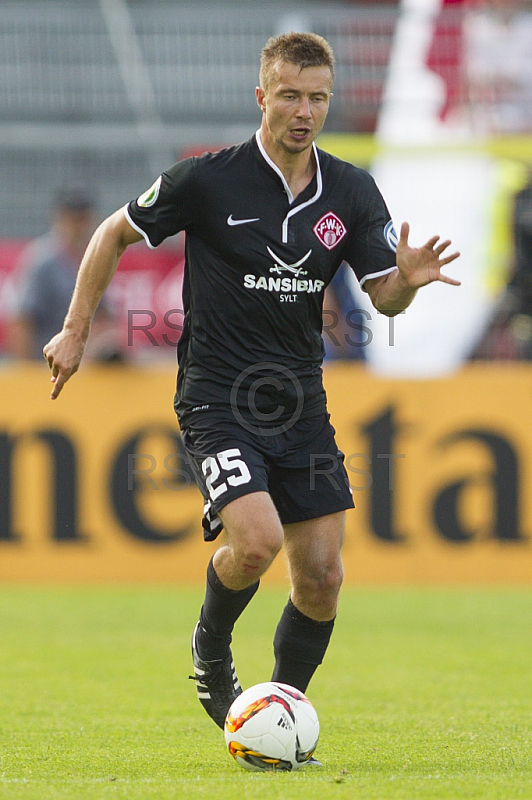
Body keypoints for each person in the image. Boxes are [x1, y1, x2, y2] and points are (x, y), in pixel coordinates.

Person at [43, 33, 460, 746]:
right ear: (262, 96)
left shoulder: (352, 191)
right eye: (291, 95)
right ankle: (210, 651)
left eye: (318, 98)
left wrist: (408, 285)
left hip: (300, 398)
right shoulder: (208, 180)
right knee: (258, 542)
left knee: (323, 577)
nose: (305, 111)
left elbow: (382, 295)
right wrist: (76, 329)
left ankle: (279, 715)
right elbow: (112, 233)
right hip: (217, 396)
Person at [10, 184, 122, 362]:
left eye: (82, 217)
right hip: (46, 363)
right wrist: (27, 372)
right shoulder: (41, 260)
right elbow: (24, 321)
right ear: (60, 218)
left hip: (83, 364)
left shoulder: (99, 257)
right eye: (72, 217)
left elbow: (104, 317)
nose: (78, 224)